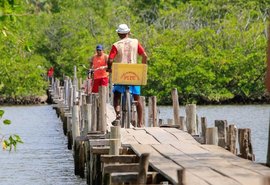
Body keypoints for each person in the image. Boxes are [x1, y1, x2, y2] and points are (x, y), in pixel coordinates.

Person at [107, 24, 148, 127]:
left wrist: (109, 68)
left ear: (118, 34)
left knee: (116, 95)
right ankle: (140, 122)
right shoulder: (135, 42)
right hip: (134, 72)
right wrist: (143, 66)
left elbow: (110, 59)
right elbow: (144, 55)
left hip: (121, 72)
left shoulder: (116, 45)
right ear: (128, 33)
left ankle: (118, 114)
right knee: (137, 98)